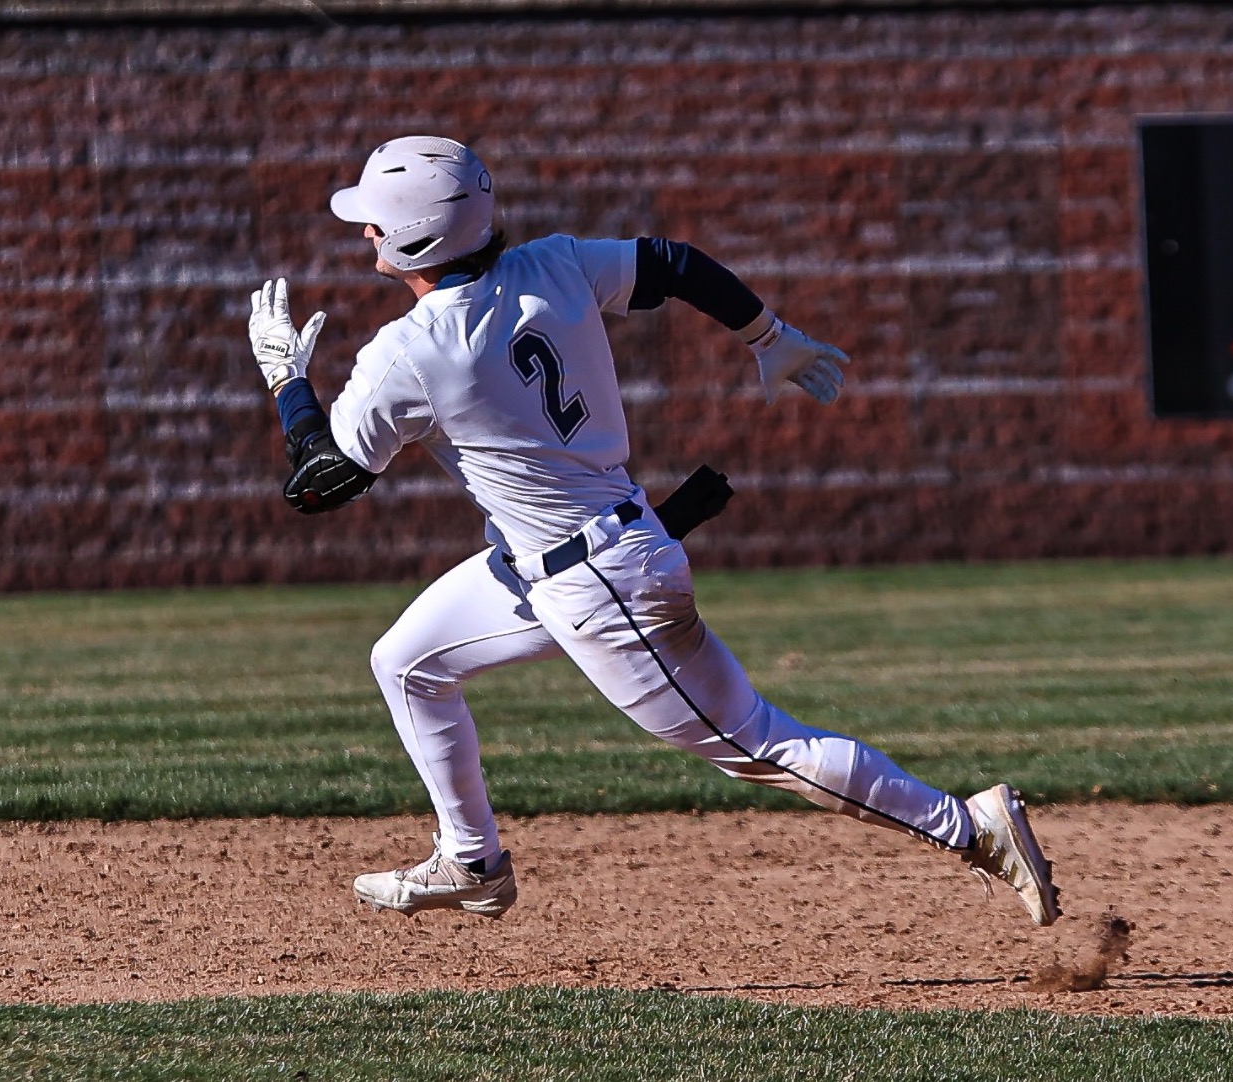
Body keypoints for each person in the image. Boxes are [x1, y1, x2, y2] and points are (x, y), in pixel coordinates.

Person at [248, 135, 1060, 927]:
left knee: (760, 746)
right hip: (564, 559)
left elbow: (320, 486)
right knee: (405, 663)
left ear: (411, 233)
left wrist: (286, 380)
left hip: (598, 586)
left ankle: (972, 828)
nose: (363, 231)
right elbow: (672, 263)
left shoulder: (411, 352)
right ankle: (473, 862)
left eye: (373, 218)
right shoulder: (555, 263)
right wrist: (767, 338)